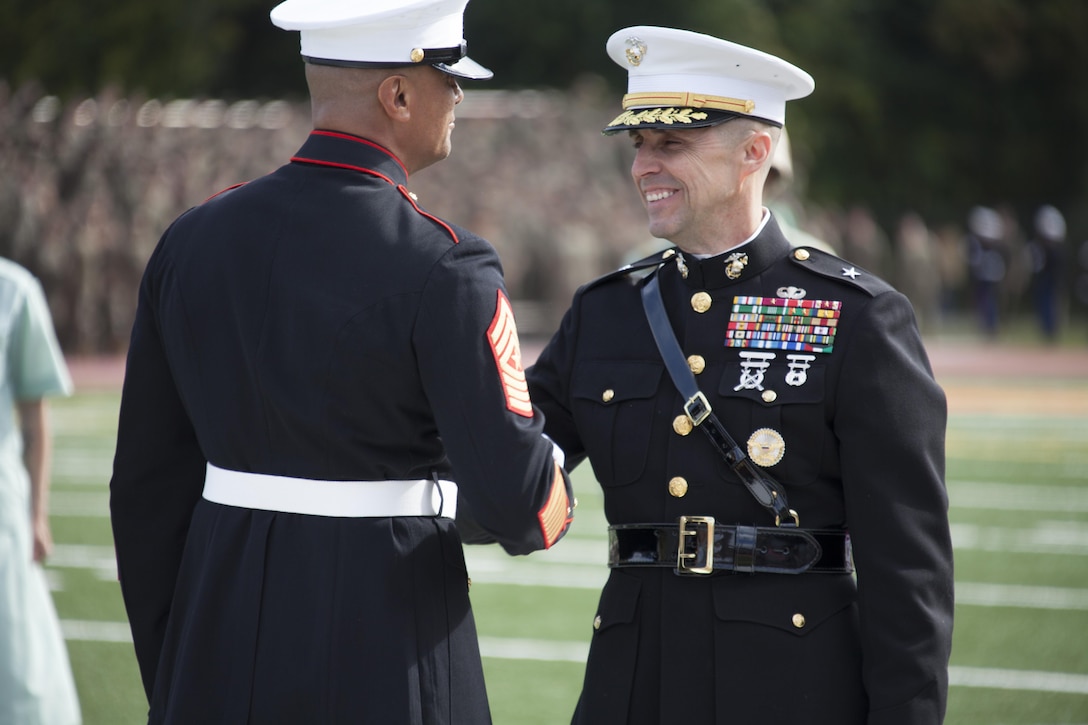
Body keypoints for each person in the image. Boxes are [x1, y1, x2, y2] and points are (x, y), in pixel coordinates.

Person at [109, 1, 574, 722]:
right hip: (384, 639)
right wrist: (554, 485)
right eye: (448, 79)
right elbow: (519, 503)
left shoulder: (192, 239)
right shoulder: (446, 261)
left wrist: (177, 667)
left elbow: (145, 487)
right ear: (397, 93)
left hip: (214, 635)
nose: (458, 97)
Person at [526, 26, 954, 724]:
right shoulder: (604, 313)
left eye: (671, 143)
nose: (643, 167)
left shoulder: (856, 317)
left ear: (756, 152)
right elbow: (508, 459)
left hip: (788, 688)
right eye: (639, 145)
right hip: (632, 686)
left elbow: (907, 576)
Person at [0, 257, 81, 725]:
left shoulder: (14, 290)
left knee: (17, 666)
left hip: (3, 508)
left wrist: (37, 516)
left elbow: (35, 415)